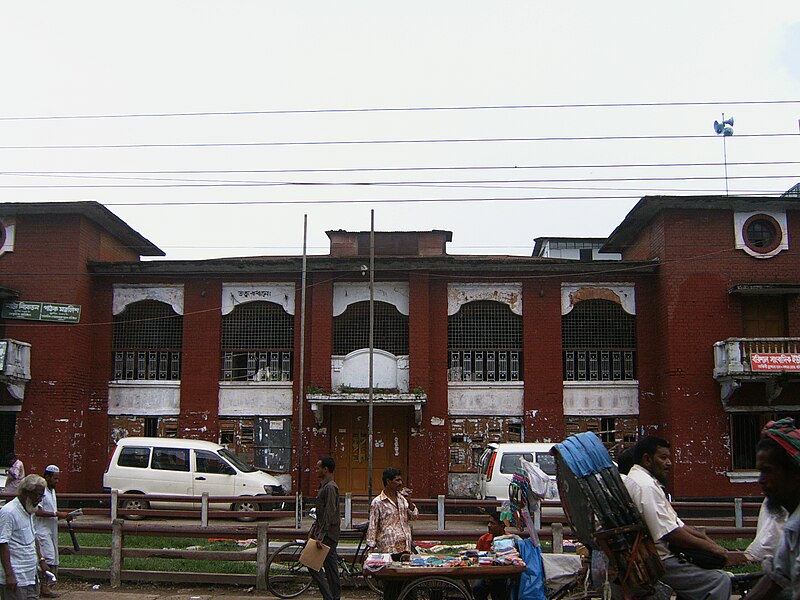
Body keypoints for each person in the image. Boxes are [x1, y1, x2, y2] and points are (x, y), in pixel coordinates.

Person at [623, 436, 732, 600]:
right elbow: (669, 533)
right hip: (660, 561)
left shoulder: (646, 482)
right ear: (647, 459)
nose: (669, 463)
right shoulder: (644, 486)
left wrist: (708, 542)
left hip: (663, 556)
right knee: (719, 581)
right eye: (663, 457)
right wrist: (711, 548)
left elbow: (678, 525)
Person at [745, 418, 800, 600]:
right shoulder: (793, 524)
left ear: (794, 473)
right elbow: (775, 578)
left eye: (767, 470)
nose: (761, 480)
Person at [366, 467, 418, 600]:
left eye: (401, 480)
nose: (400, 483)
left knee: (409, 587)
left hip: (405, 547)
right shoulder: (377, 502)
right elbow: (373, 526)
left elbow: (414, 516)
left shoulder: (402, 499)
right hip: (389, 549)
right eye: (397, 480)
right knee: (392, 588)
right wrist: (370, 549)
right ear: (388, 481)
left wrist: (410, 500)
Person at [0, 475, 50, 600]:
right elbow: (2, 543)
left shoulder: (29, 510)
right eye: (37, 495)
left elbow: (33, 538)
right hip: (16, 577)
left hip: (31, 575)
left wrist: (41, 560)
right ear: (24, 493)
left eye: (41, 496)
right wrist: (9, 574)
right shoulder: (9, 512)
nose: (39, 500)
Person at [34, 466, 71, 599]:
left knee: (52, 557)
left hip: (51, 529)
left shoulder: (52, 491)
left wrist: (63, 515)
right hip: (41, 530)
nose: (57, 481)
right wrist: (56, 514)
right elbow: (37, 511)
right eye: (55, 478)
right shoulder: (40, 491)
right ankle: (43, 587)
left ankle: (44, 587)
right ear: (47, 477)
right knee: (47, 558)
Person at [307, 456, 340, 600]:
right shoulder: (324, 486)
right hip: (323, 532)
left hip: (328, 534)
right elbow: (321, 513)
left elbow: (329, 513)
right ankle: (331, 596)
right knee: (327, 567)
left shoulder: (330, 488)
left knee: (317, 565)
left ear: (325, 469)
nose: (316, 471)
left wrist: (321, 535)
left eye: (318, 468)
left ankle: (331, 596)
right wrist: (314, 529)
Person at [472, 511, 509, 600]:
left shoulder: (509, 540)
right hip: (485, 575)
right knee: (478, 588)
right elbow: (476, 560)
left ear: (502, 526)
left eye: (492, 523)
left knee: (501, 589)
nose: (489, 525)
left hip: (503, 576)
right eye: (489, 522)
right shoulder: (483, 539)